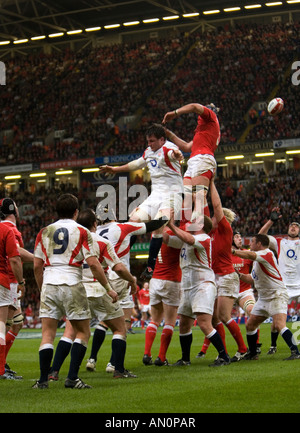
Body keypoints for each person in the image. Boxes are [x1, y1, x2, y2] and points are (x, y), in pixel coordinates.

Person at [32, 193, 118, 389]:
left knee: (47, 334)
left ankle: (43, 380)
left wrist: (41, 289)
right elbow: (94, 264)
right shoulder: (82, 231)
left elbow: (37, 266)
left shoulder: (44, 231)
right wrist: (108, 288)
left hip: (50, 281)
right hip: (72, 281)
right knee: (83, 332)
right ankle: (71, 378)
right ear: (76, 212)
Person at [48, 208, 137, 380]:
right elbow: (118, 267)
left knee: (70, 333)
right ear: (95, 224)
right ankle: (118, 369)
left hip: (76, 289)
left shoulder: (70, 242)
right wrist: (132, 281)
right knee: (119, 328)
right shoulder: (100, 241)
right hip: (97, 289)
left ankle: (54, 371)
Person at [99, 123, 184, 279]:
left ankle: (150, 268)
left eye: (152, 141)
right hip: (156, 194)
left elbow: (175, 154)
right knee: (133, 220)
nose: (149, 144)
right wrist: (114, 169)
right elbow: (135, 164)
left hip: (173, 195)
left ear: (162, 140)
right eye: (148, 141)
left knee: (159, 226)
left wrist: (178, 157)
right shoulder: (149, 152)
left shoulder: (168, 149)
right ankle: (119, 257)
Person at [95, 203, 168, 371]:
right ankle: (113, 364)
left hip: (101, 277)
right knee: (123, 324)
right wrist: (166, 216)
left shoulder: (96, 232)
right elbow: (151, 226)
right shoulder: (121, 227)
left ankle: (91, 358)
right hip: (120, 274)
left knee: (98, 323)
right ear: (113, 214)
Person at [167, 212, 231, 367]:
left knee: (204, 323)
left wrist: (170, 225)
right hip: (188, 285)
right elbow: (167, 239)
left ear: (201, 225)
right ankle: (185, 359)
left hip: (203, 285)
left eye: (194, 221)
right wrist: (163, 222)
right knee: (183, 324)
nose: (191, 222)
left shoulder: (204, 238)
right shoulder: (186, 239)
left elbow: (189, 239)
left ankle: (224, 356)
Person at [199, 178, 248, 361]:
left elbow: (217, 206)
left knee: (224, 315)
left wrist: (211, 184)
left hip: (227, 276)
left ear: (221, 219)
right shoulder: (210, 232)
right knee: (213, 319)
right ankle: (224, 354)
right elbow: (205, 213)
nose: (211, 218)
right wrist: (201, 194)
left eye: (214, 217)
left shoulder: (224, 229)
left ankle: (243, 349)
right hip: (215, 277)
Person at [232, 234, 300, 361]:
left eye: (252, 242)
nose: (250, 244)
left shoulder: (266, 253)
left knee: (279, 325)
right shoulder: (258, 262)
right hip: (264, 298)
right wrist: (238, 274)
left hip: (276, 295)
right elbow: (252, 279)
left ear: (259, 244)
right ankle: (253, 353)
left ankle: (296, 352)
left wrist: (233, 251)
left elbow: (250, 255)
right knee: (250, 325)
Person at [162, 102, 220, 222]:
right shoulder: (204, 131)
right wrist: (168, 134)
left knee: (198, 196)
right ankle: (186, 228)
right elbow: (187, 147)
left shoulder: (210, 117)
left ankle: (203, 233)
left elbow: (194, 107)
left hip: (203, 159)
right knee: (186, 198)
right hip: (195, 161)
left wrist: (175, 113)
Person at [0, 197, 34, 376]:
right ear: (13, 210)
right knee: (4, 325)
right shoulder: (9, 229)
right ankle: (0, 366)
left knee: (16, 323)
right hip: (8, 281)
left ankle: (2, 363)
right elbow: (16, 254)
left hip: (9, 280)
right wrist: (38, 259)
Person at [259, 209, 300, 354]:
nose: (293, 227)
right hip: (283, 287)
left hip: (299, 285)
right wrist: (271, 221)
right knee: (277, 319)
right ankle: (273, 345)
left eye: (296, 226)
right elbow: (261, 236)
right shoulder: (279, 242)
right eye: (291, 226)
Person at [143, 227, 182, 367]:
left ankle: (147, 354)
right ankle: (161, 357)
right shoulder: (172, 233)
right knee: (169, 322)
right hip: (170, 280)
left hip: (155, 280)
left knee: (154, 320)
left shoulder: (155, 233)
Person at [0, 222, 25, 380]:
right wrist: (21, 283)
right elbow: (15, 259)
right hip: (2, 280)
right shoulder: (6, 230)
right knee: (2, 324)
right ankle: (1, 368)